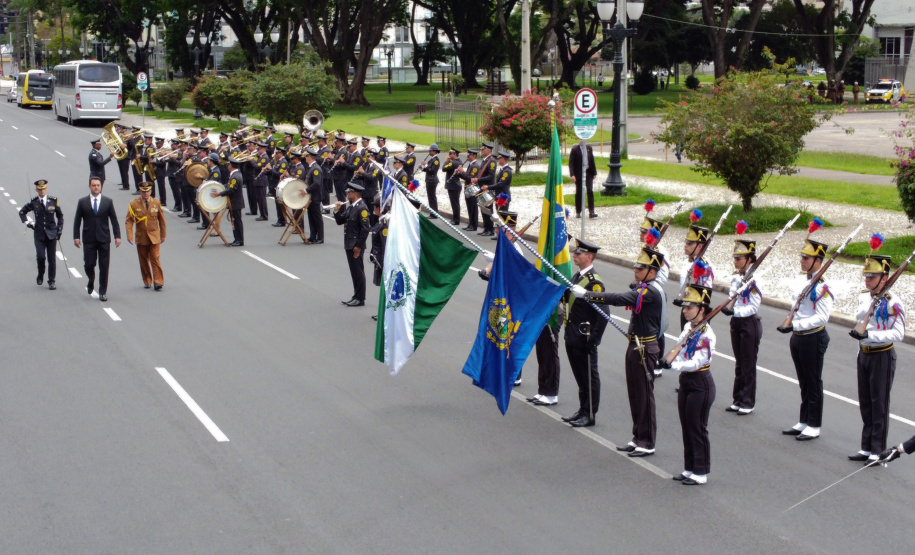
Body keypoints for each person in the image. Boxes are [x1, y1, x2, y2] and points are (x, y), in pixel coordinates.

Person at [574, 246, 664, 454]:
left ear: (651, 271)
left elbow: (621, 299)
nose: (635, 271)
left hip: (644, 348)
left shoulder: (651, 292)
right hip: (635, 345)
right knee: (634, 393)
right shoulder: (643, 288)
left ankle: (647, 442)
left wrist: (587, 294)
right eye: (636, 267)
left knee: (644, 397)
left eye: (640, 269)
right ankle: (638, 436)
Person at [847, 249, 905, 464]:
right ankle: (866, 446)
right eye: (866, 276)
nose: (867, 279)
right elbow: (860, 321)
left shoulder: (892, 302)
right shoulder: (866, 297)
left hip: (882, 355)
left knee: (878, 403)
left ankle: (877, 451)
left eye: (872, 276)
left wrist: (870, 334)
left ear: (885, 278)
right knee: (865, 402)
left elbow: (898, 333)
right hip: (864, 353)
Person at [657, 284, 717, 485]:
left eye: (689, 308)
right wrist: (670, 358)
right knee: (686, 425)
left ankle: (700, 472)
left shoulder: (707, 334)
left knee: (697, 427)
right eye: (684, 307)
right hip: (686, 381)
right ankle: (689, 468)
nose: (685, 311)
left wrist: (674, 366)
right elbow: (680, 348)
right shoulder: (689, 328)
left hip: (701, 382)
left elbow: (697, 362)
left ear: (702, 310)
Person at [778, 236, 833, 441]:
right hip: (799, 337)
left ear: (818, 261)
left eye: (806, 258)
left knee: (813, 381)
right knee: (803, 381)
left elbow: (822, 317)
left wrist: (796, 325)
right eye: (802, 257)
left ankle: (814, 424)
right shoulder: (807, 282)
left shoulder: (822, 287)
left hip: (813, 337)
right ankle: (804, 420)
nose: (802, 261)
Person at [561, 239, 609, 428]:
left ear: (589, 257)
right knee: (580, 377)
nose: (575, 255)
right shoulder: (576, 277)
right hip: (572, 336)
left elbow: (603, 313)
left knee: (589, 377)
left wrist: (594, 339)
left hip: (584, 338)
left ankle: (590, 414)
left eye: (579, 253)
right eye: (575, 252)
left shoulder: (594, 283)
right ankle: (582, 409)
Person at [73, 176, 121, 302]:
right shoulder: (82, 202)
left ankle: (102, 291)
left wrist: (117, 236)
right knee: (89, 264)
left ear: (101, 186)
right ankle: (91, 279)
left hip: (104, 238)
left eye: (98, 185)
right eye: (93, 185)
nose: (96, 187)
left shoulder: (107, 202)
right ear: (90, 186)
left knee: (104, 266)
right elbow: (77, 221)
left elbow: (114, 220)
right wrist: (76, 237)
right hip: (89, 238)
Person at [19, 179, 64, 290]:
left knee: (52, 258)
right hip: (39, 234)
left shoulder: (53, 201)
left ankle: (51, 281)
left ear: (46, 189)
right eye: (39, 189)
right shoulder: (34, 202)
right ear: (36, 190)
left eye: (43, 188)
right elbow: (22, 212)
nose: (42, 191)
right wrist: (28, 223)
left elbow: (60, 216)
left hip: (51, 234)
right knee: (40, 257)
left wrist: (59, 229)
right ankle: (40, 274)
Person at [334, 182, 371, 307]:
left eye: (348, 192)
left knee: (358, 272)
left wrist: (358, 246)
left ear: (354, 193)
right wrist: (337, 210)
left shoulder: (362, 208)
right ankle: (356, 295)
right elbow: (340, 221)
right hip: (349, 244)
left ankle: (360, 298)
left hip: (355, 245)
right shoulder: (351, 207)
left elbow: (365, 229)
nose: (347, 194)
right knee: (354, 272)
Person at [125, 181, 167, 290]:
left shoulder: (156, 203)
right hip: (141, 236)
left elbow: (161, 220)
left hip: (154, 236)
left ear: (151, 191)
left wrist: (163, 234)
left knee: (155, 258)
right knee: (143, 260)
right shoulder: (134, 204)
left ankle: (158, 281)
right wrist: (129, 235)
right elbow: (129, 221)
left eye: (148, 191)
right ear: (140, 191)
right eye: (143, 192)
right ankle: (147, 280)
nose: (146, 194)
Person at [213, 156, 245, 247]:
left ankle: (239, 240)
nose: (228, 166)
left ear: (231, 166)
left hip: (235, 202)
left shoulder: (235, 177)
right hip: (234, 202)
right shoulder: (234, 175)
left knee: (236, 222)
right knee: (234, 221)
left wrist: (219, 193)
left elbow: (231, 189)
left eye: (229, 164)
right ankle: (237, 239)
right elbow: (228, 186)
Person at [471, 142, 498, 236]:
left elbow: (491, 176)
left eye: (484, 149)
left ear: (488, 150)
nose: (482, 150)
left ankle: (490, 229)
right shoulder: (485, 160)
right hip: (482, 187)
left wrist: (478, 179)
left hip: (488, 188)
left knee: (488, 209)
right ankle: (486, 228)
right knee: (483, 208)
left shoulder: (492, 161)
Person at [568, 142, 597, 218]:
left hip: (588, 172)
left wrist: (594, 172)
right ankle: (578, 211)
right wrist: (572, 174)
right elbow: (571, 163)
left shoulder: (589, 148)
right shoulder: (575, 150)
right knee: (579, 192)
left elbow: (592, 160)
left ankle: (592, 211)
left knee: (590, 190)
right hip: (579, 173)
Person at [303, 147, 325, 244]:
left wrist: (306, 190)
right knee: (311, 217)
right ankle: (313, 235)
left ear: (310, 157)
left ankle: (320, 237)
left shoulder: (316, 169)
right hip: (311, 197)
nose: (305, 158)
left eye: (306, 156)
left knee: (317, 218)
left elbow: (317, 183)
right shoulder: (311, 168)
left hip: (315, 197)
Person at [458, 148, 481, 231]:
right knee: (469, 207)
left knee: (473, 207)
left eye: (469, 155)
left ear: (474, 156)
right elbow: (466, 178)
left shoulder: (475, 166)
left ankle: (474, 225)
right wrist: (459, 174)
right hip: (468, 189)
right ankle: (470, 223)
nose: (468, 156)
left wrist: (462, 172)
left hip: (472, 190)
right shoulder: (471, 165)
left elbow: (470, 178)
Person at [442, 148, 463, 225]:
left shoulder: (454, 163)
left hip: (453, 185)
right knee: (455, 203)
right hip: (455, 185)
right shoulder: (458, 161)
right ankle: (455, 218)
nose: (449, 155)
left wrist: (446, 161)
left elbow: (444, 168)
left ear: (455, 154)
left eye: (451, 153)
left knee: (455, 204)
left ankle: (456, 219)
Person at [420, 144, 442, 218]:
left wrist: (426, 165)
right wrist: (422, 167)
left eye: (430, 150)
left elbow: (432, 170)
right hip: (429, 180)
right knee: (430, 197)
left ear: (434, 151)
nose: (429, 152)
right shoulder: (432, 159)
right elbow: (427, 169)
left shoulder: (435, 160)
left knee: (432, 197)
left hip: (432, 180)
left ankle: (434, 213)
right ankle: (432, 212)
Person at [253, 142, 270, 221]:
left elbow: (257, 167)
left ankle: (264, 215)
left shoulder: (264, 157)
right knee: (259, 198)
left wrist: (250, 160)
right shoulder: (259, 156)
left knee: (262, 199)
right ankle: (262, 214)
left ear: (263, 149)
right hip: (258, 180)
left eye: (258, 149)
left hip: (261, 180)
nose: (257, 150)